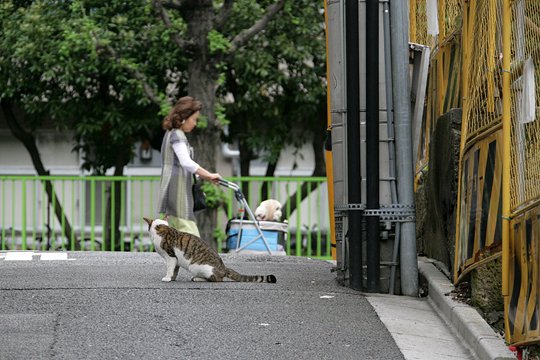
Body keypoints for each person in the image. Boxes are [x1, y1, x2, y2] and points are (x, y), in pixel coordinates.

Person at [156, 96, 221, 237]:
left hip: (172, 188)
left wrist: (202, 175)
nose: (195, 123)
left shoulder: (171, 134)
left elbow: (181, 163)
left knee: (176, 234)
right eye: (194, 119)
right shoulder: (177, 136)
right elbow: (186, 162)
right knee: (191, 235)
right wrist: (209, 175)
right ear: (184, 118)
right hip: (177, 190)